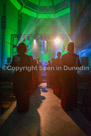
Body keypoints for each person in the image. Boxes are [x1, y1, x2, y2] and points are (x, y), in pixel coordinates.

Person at [11, 43, 32, 113]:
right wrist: (30, 79)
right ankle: (24, 108)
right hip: (22, 78)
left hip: (19, 78)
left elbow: (12, 66)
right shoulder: (27, 57)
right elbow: (30, 69)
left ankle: (20, 107)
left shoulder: (17, 57)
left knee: (20, 93)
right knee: (23, 94)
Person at [61, 42, 81, 111]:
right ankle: (72, 105)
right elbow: (79, 66)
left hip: (66, 76)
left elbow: (62, 67)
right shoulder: (76, 56)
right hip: (73, 76)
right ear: (73, 48)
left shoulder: (64, 56)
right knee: (73, 90)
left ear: (67, 48)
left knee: (67, 90)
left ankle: (66, 105)